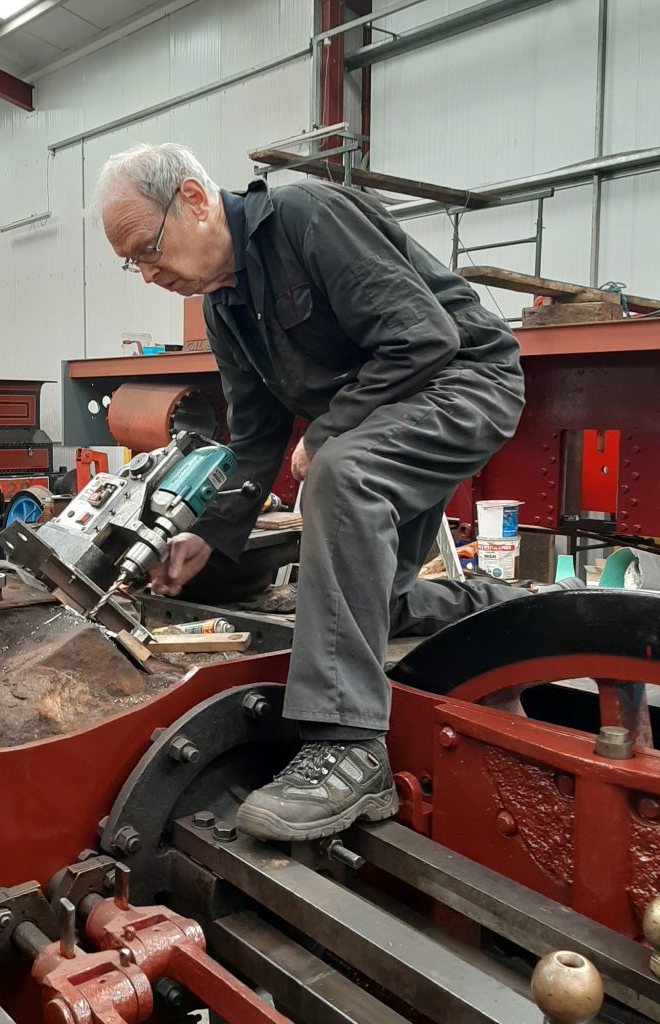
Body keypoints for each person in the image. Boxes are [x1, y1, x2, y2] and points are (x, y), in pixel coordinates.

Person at [94, 142, 530, 843]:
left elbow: (424, 340)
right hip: (394, 405)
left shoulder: (309, 217)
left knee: (341, 470)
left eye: (148, 249)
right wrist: (205, 534)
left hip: (464, 382)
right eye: (133, 263)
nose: (147, 275)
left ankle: (349, 747)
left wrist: (330, 431)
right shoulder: (224, 306)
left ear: (196, 201)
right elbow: (256, 439)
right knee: (369, 609)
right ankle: (497, 606)